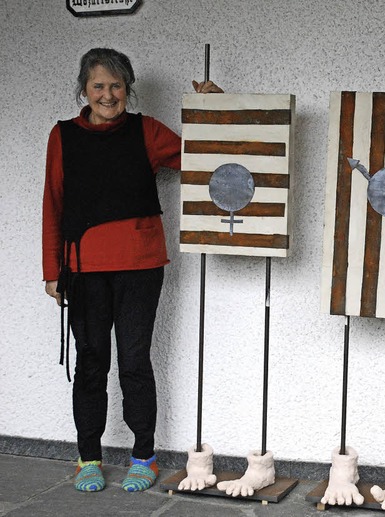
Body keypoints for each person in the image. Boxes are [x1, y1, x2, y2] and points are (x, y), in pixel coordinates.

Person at [42, 47, 221, 493]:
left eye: (116, 85)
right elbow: (53, 203)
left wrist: (214, 110)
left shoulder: (147, 131)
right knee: (91, 365)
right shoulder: (62, 136)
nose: (108, 94)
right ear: (83, 90)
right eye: (99, 85)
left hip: (140, 267)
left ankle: (145, 455)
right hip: (82, 270)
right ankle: (89, 457)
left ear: (128, 89)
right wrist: (52, 270)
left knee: (134, 362)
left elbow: (199, 157)